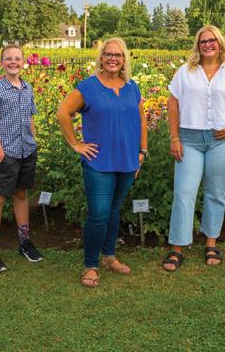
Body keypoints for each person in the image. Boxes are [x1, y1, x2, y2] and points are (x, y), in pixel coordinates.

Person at [56, 38, 148, 288]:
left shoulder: (132, 87)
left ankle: (109, 257)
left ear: (124, 59)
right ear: (101, 57)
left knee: (114, 210)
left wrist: (142, 152)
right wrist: (76, 144)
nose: (113, 59)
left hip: (127, 160)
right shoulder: (89, 87)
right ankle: (90, 265)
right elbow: (63, 112)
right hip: (98, 161)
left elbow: (141, 120)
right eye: (108, 54)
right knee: (98, 214)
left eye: (118, 55)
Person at [162, 25, 225, 272]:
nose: (208, 44)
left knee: (216, 192)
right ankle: (177, 247)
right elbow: (173, 104)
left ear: (220, 44)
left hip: (221, 139)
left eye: (212, 40)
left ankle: (211, 243)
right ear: (197, 46)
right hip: (189, 139)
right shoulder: (185, 72)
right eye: (203, 41)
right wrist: (175, 138)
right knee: (184, 192)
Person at [0, 45, 44, 273]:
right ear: (2, 63)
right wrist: (0, 152)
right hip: (6, 152)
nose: (13, 62)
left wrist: (33, 140)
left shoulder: (28, 88)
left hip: (26, 150)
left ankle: (24, 242)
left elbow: (31, 117)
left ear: (23, 62)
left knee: (21, 194)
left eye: (17, 58)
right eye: (8, 58)